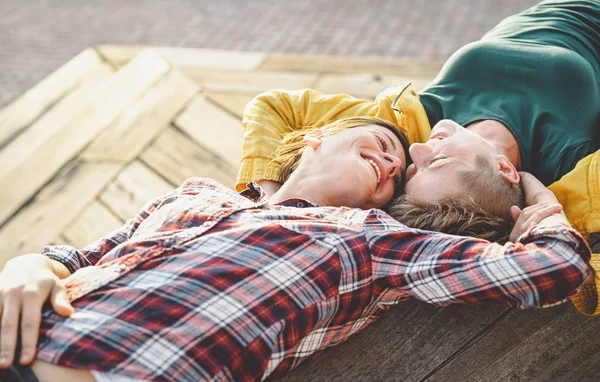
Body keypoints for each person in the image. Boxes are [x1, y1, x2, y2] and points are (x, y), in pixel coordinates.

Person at [0, 117, 590, 381]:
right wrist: (24, 264)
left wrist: (534, 194)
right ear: (314, 140)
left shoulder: (370, 241)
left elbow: (553, 270)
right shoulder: (197, 195)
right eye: (383, 141)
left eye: (394, 175)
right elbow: (76, 258)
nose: (393, 159)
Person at [236, 0, 600, 314]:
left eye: (412, 169)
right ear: (505, 169)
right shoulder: (571, 167)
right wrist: (542, 204)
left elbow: (275, 107)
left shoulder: (407, 128)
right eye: (434, 163)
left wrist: (267, 200)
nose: (417, 149)